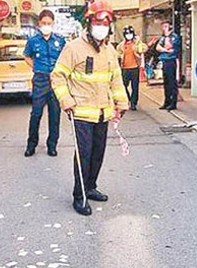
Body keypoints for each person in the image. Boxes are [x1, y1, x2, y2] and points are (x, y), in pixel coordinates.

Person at [51, 0, 129, 216]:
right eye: (97, 22)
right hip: (82, 113)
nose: (101, 27)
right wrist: (66, 101)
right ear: (89, 23)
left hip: (103, 113)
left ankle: (91, 186)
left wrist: (121, 102)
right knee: (83, 155)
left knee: (97, 154)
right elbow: (58, 77)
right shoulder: (73, 48)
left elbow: (115, 79)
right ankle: (80, 195)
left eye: (105, 23)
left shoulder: (110, 50)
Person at [23, 10, 66, 157]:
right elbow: (26, 56)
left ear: (53, 24)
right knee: (36, 114)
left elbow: (66, 58)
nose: (46, 26)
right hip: (40, 80)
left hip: (56, 81)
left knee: (55, 115)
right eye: (43, 23)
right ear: (39, 24)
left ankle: (52, 145)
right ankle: (31, 144)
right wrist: (35, 66)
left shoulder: (60, 40)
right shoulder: (33, 41)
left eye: (49, 23)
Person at [116, 26, 147, 111]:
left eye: (130, 34)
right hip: (125, 68)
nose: (128, 35)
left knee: (135, 87)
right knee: (123, 86)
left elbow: (144, 49)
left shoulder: (136, 44)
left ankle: (133, 103)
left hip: (134, 68)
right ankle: (128, 99)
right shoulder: (121, 45)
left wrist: (138, 42)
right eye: (127, 34)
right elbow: (117, 54)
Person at [155, 20, 181, 111]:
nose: (164, 28)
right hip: (164, 60)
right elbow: (158, 47)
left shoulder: (174, 37)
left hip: (171, 60)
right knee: (166, 83)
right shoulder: (163, 38)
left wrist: (165, 47)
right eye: (163, 26)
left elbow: (172, 48)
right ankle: (167, 101)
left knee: (172, 82)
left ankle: (173, 102)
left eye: (166, 26)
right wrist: (165, 50)